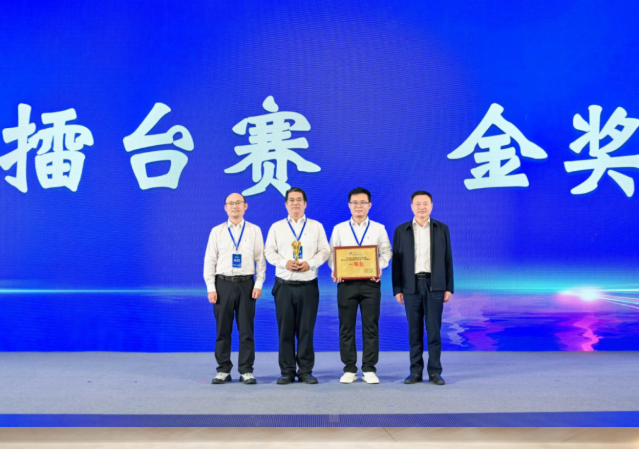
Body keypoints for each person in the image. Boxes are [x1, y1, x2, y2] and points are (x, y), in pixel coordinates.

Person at [265, 187, 330, 385]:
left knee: (306, 330)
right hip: (284, 286)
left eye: (299, 200)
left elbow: (325, 251)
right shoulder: (276, 227)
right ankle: (287, 371)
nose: (295, 203)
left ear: (305, 204)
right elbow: (269, 252)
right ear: (286, 204)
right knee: (285, 330)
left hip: (308, 286)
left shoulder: (316, 226)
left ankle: (305, 371)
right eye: (291, 200)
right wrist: (284, 263)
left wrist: (310, 263)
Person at [329, 187, 392, 384]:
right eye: (355, 202)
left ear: (369, 205)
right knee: (346, 326)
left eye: (363, 202)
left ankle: (369, 368)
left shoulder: (378, 228)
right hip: (346, 284)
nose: (359, 206)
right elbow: (332, 253)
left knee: (370, 326)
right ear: (349, 205)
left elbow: (387, 252)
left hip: (370, 283)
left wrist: (378, 267)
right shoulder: (339, 228)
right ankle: (349, 368)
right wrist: (336, 270)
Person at [392, 190, 453, 386]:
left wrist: (449, 287)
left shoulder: (441, 228)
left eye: (425, 203)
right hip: (410, 286)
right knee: (414, 331)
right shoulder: (401, 230)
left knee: (434, 331)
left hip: (435, 285)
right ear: (412, 206)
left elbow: (448, 259)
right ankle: (415, 372)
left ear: (431, 206)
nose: (422, 207)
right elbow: (397, 263)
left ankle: (435, 372)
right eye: (417, 204)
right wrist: (397, 288)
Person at [203, 193, 266, 385]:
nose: (234, 206)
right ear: (225, 207)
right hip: (222, 284)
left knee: (247, 330)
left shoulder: (254, 230)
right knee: (223, 330)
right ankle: (223, 369)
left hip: (247, 284)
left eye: (238, 203)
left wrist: (258, 284)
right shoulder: (217, 231)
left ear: (245, 206)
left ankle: (246, 370)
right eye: (230, 203)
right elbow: (209, 260)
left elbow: (260, 260)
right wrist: (211, 287)